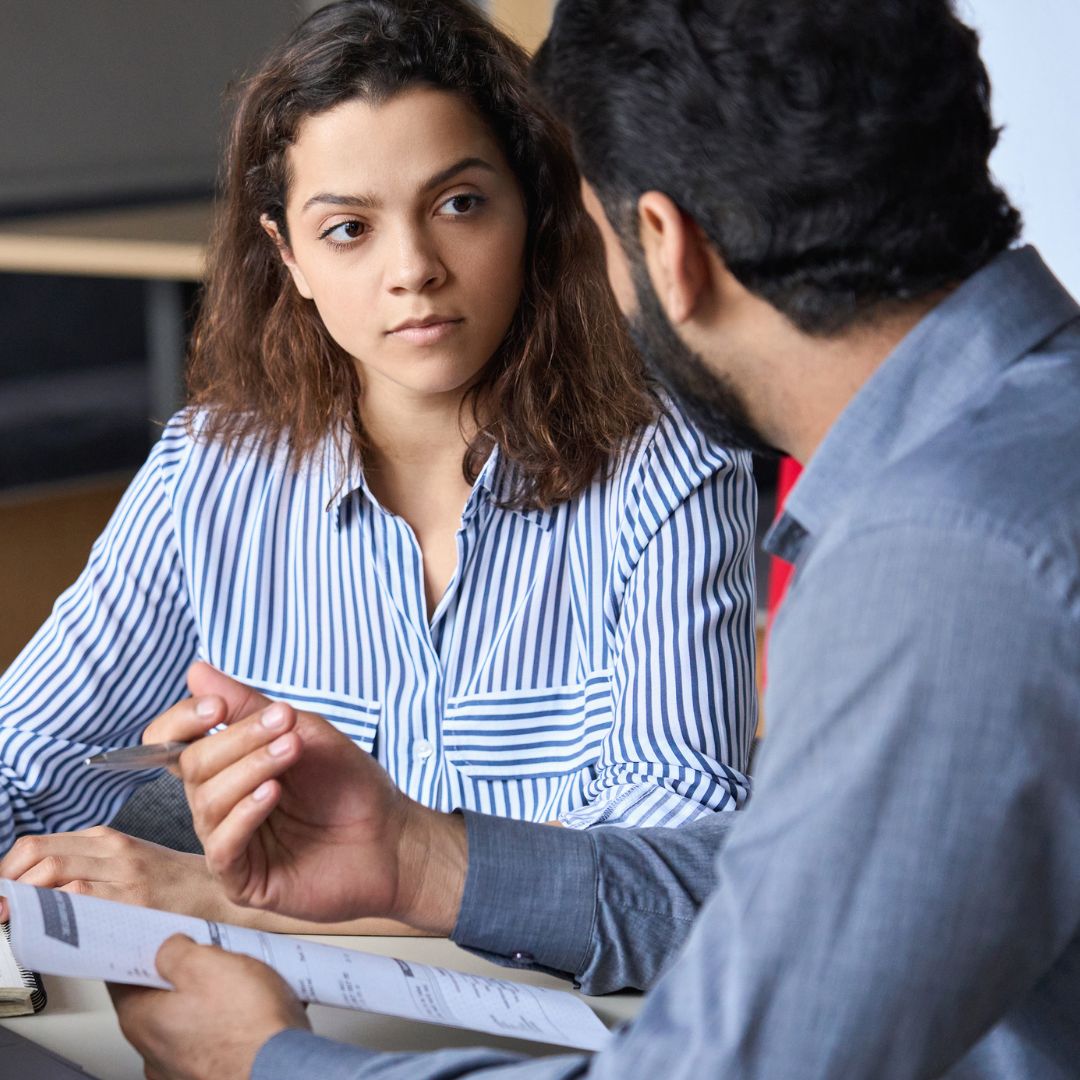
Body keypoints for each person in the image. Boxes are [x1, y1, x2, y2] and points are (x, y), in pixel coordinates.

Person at [105, 0, 1080, 1075]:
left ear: (662, 245)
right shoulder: (1023, 455)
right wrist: (423, 858)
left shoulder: (945, 563)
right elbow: (787, 895)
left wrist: (265, 1062)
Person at [0, 0, 759, 927]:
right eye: (349, 229)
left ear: (532, 212)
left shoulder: (669, 474)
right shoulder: (208, 477)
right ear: (290, 259)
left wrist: (246, 905)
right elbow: (22, 765)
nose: (413, 269)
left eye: (459, 204)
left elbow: (678, 874)